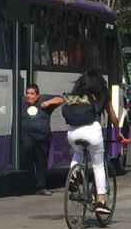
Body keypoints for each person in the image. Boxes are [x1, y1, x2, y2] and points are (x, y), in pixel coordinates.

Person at [66, 70, 124, 214]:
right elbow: (113, 117)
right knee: (98, 165)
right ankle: (101, 200)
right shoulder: (103, 94)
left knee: (78, 152)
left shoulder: (75, 94)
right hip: (92, 131)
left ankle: (73, 176)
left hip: (72, 132)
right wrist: (118, 133)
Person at [20, 84, 63, 196]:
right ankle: (26, 185)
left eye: (32, 94)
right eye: (27, 93)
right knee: (27, 149)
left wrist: (48, 103)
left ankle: (41, 187)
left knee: (41, 162)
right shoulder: (21, 102)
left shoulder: (44, 99)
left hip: (42, 137)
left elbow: (61, 99)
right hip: (27, 134)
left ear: (37, 95)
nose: (29, 96)